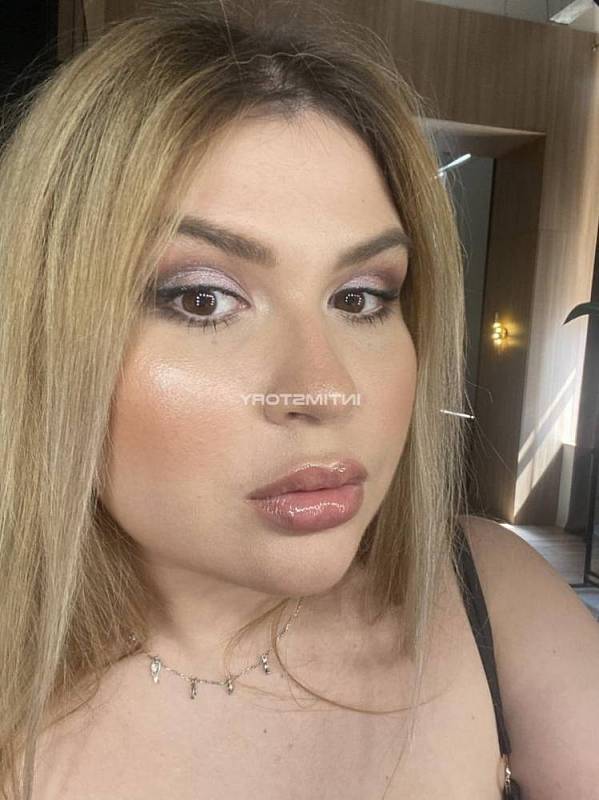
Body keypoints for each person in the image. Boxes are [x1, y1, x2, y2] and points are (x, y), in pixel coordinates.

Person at [2, 2, 598, 799]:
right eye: (202, 299)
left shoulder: (490, 592)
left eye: (359, 298)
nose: (328, 389)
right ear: (43, 341)